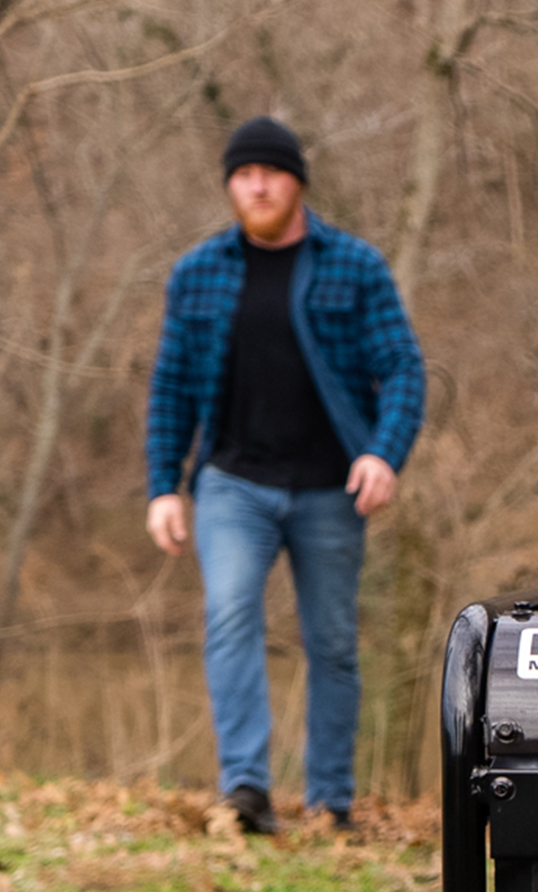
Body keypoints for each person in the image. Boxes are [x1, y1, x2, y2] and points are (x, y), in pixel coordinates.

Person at [145, 116, 424, 834]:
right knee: (231, 613)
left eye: (269, 172)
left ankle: (331, 801)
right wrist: (162, 487)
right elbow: (171, 386)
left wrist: (382, 453)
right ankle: (247, 790)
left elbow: (401, 367)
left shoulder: (355, 266)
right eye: (243, 174)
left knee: (331, 641)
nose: (257, 185)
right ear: (231, 186)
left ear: (297, 181)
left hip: (331, 487)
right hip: (232, 483)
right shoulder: (198, 271)